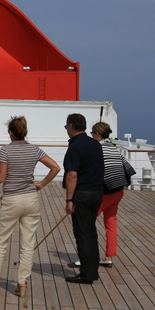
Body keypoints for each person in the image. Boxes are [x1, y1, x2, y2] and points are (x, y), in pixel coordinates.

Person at [0, 116, 60, 297]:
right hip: (30, 198)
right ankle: (22, 283)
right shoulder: (35, 150)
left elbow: (1, 178)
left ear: (10, 133)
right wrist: (42, 184)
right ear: (25, 132)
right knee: (27, 243)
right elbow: (55, 167)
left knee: (1, 241)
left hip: (11, 200)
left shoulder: (5, 151)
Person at [68, 122, 134, 269]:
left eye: (92, 133)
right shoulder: (113, 148)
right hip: (118, 190)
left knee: (86, 225)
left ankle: (85, 259)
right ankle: (108, 257)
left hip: (106, 192)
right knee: (111, 223)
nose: (91, 136)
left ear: (97, 134)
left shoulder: (98, 148)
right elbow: (126, 167)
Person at [62, 113, 105, 284]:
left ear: (72, 126)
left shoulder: (75, 146)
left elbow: (72, 175)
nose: (66, 130)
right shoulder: (95, 144)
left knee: (83, 235)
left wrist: (69, 200)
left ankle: (86, 274)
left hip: (82, 194)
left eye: (66, 127)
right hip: (97, 193)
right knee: (91, 233)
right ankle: (92, 271)